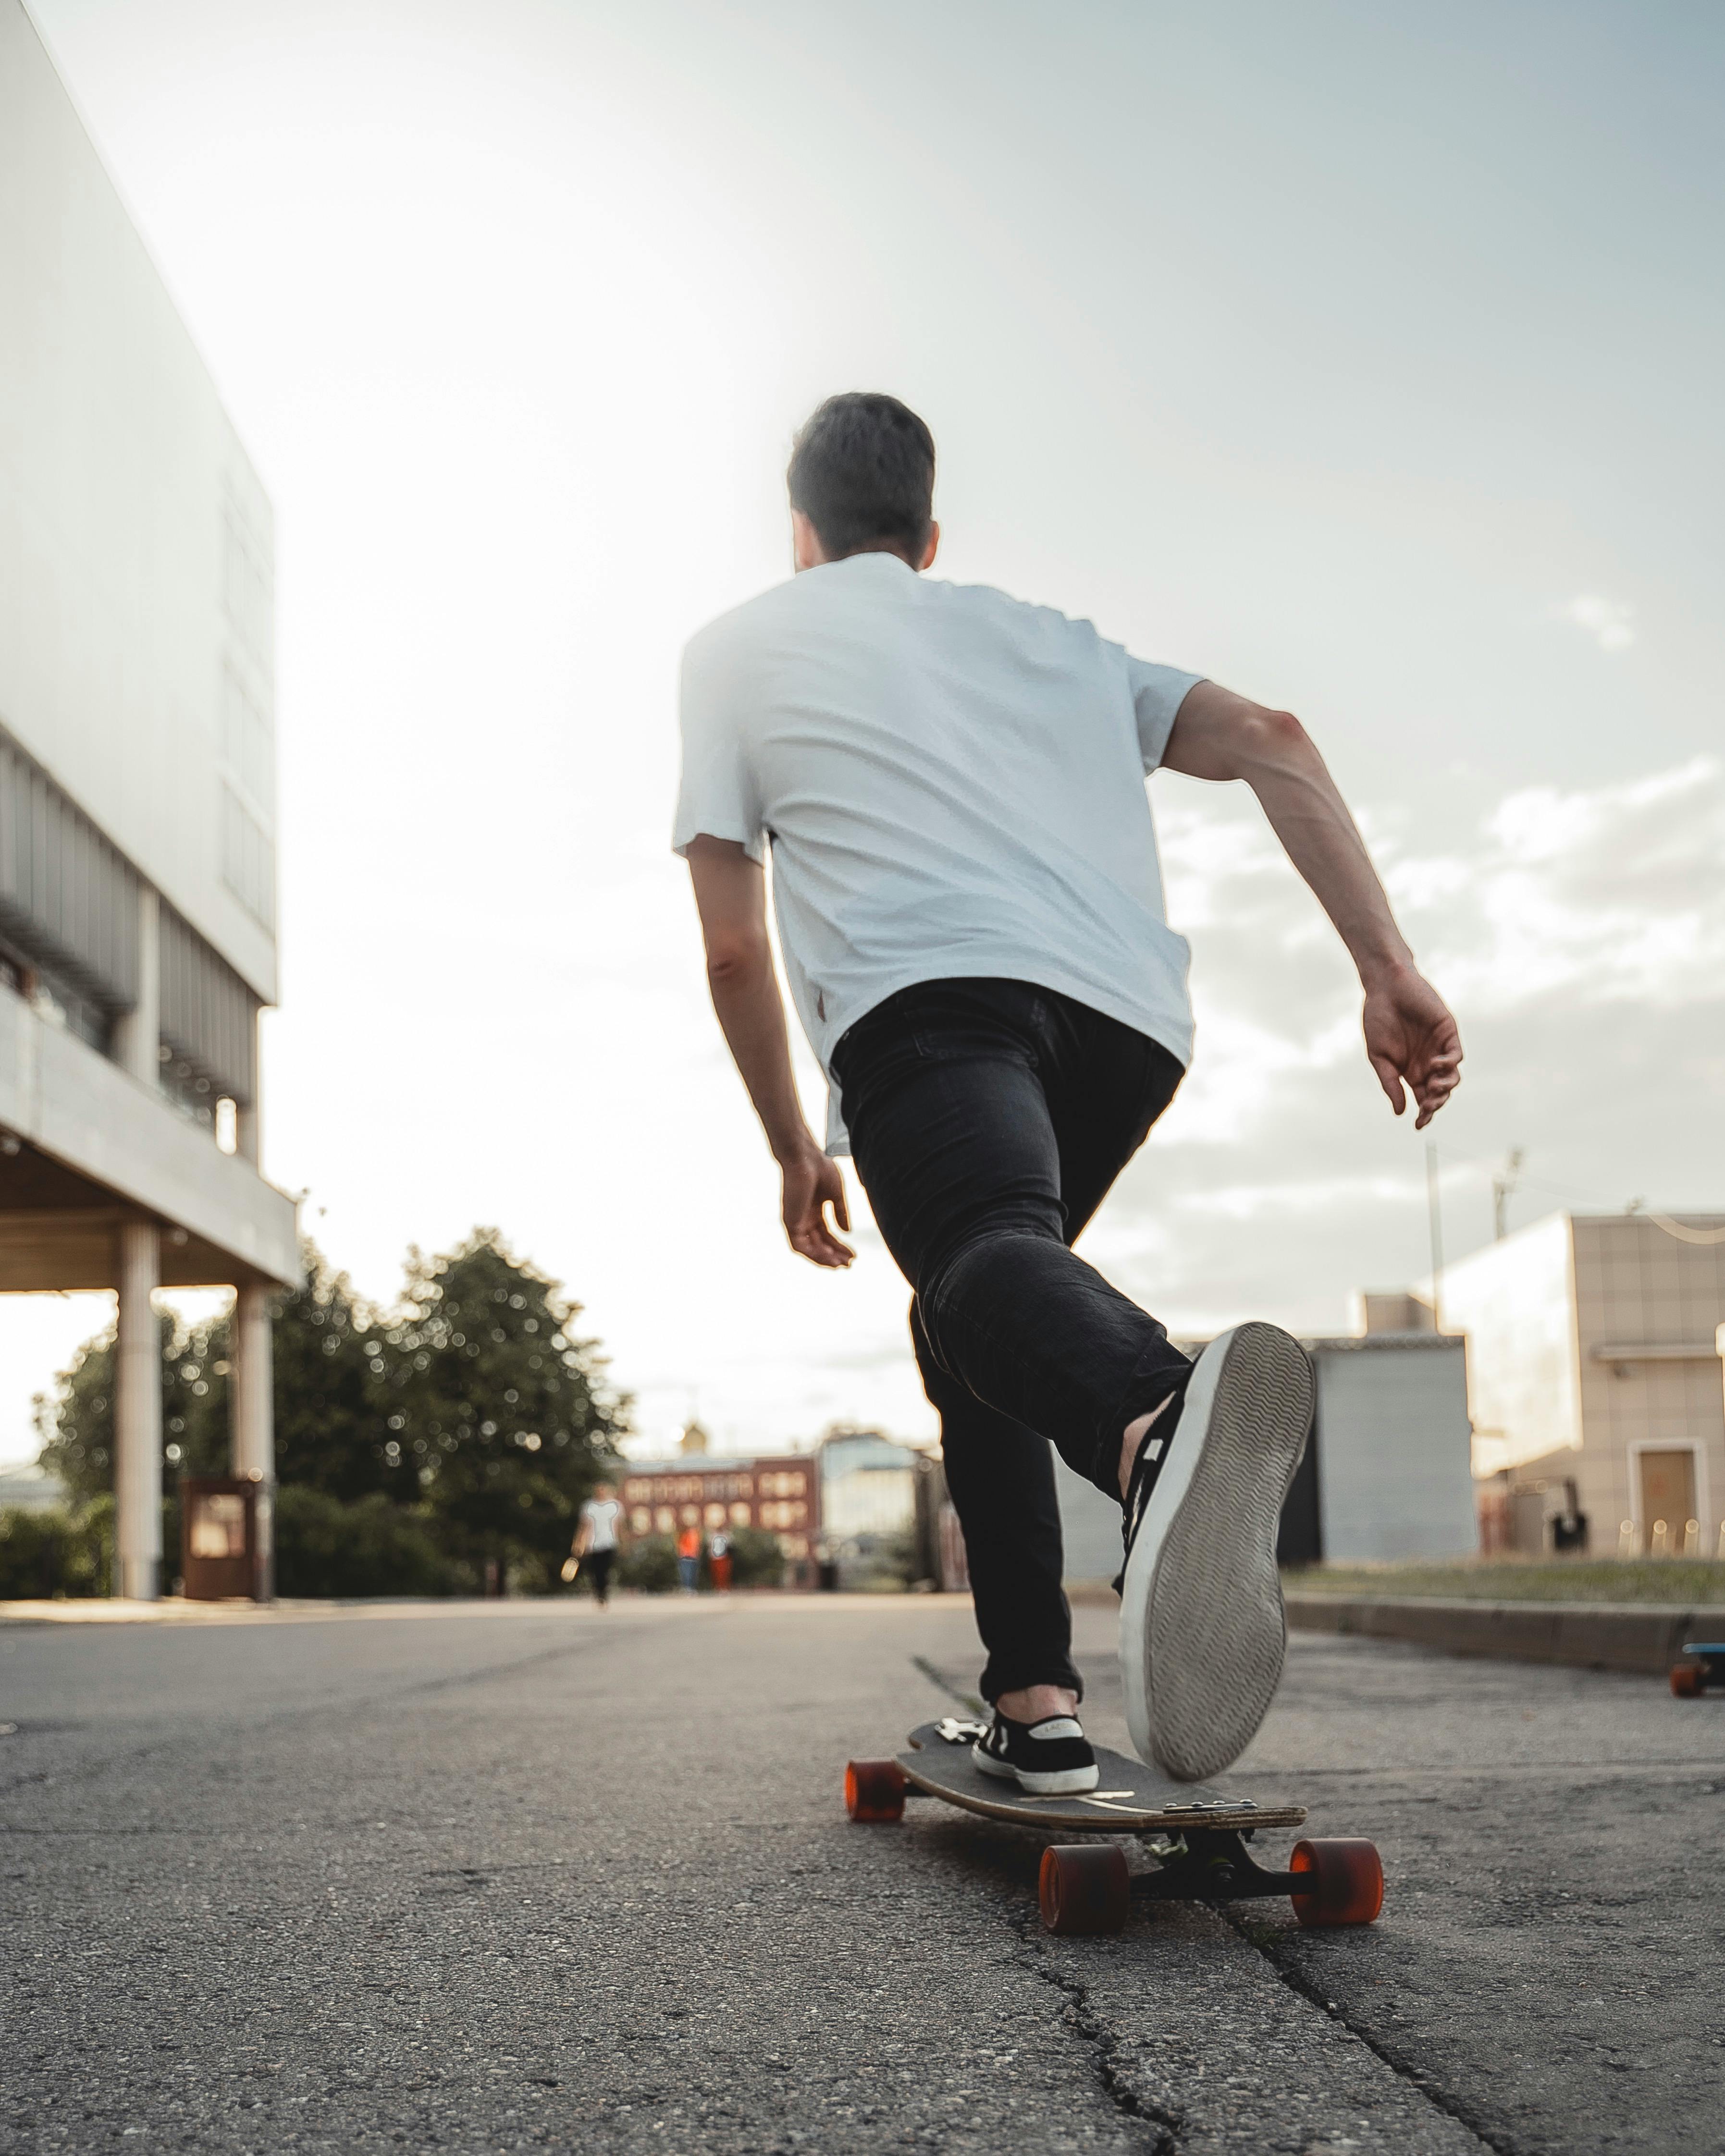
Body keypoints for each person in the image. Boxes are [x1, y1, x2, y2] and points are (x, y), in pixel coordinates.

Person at [675, 392, 1461, 1794]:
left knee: (977, 1263)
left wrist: (794, 1145)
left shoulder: (739, 648)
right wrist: (1384, 968)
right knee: (979, 1302)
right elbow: (1272, 735)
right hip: (1123, 1030)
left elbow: (731, 941)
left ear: (799, 534)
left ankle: (1156, 1424)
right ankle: (1032, 1699)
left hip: (929, 1007)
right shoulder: (1054, 641)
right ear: (926, 537)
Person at [570, 1481, 622, 1606]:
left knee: (605, 1570)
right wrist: (578, 1543)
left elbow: (619, 1526)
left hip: (610, 1542)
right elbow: (583, 1527)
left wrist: (623, 1542)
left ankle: (604, 1592)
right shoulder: (589, 1506)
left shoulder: (615, 1506)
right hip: (593, 1544)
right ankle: (599, 1592)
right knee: (596, 1571)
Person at [676, 1523, 702, 1593]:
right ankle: (688, 1588)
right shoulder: (685, 1536)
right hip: (686, 1558)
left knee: (692, 1574)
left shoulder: (695, 1536)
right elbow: (682, 1547)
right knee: (687, 1574)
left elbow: (697, 1547)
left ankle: (690, 1588)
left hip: (692, 1557)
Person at [708, 1528, 733, 1593]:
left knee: (724, 1573)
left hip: (723, 1557)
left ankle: (724, 1588)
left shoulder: (726, 1536)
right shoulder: (713, 1536)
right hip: (715, 1557)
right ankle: (718, 1587)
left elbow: (730, 1544)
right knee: (716, 1574)